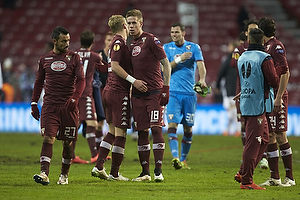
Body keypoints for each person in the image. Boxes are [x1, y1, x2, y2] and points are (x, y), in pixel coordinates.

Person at [91, 14, 147, 181]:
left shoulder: (114, 43)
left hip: (108, 91)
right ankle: (114, 173)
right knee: (121, 135)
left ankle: (99, 166)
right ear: (124, 25)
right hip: (118, 92)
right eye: (127, 24)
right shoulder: (119, 43)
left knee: (112, 132)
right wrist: (133, 81)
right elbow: (114, 66)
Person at [31, 26, 85, 185]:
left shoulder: (75, 58)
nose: (67, 44)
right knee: (48, 138)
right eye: (63, 41)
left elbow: (81, 80)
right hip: (50, 106)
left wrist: (75, 97)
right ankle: (44, 173)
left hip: (69, 107)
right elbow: (39, 82)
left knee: (68, 143)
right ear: (54, 41)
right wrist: (34, 103)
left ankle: (64, 175)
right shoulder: (44, 59)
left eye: (68, 40)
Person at [126, 9, 171, 182]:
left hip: (154, 93)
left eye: (134, 23)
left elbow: (166, 64)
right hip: (137, 95)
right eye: (129, 23)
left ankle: (158, 171)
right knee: (141, 132)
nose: (131, 26)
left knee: (156, 128)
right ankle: (145, 173)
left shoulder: (151, 40)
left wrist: (166, 88)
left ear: (141, 23)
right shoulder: (130, 44)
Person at [235, 28, 279, 190]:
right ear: (262, 42)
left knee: (265, 139)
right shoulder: (264, 58)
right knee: (253, 143)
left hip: (246, 101)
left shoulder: (242, 57)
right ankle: (246, 181)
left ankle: (243, 172)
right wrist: (279, 71)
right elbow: (274, 81)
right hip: (258, 104)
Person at [163, 22, 207, 170]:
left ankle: (183, 160)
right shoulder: (166, 48)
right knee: (172, 125)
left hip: (189, 94)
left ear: (183, 33)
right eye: (172, 32)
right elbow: (165, 68)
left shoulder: (194, 47)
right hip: (173, 93)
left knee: (188, 129)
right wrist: (179, 59)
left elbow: (201, 65)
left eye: (176, 32)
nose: (174, 35)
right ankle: (175, 157)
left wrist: (202, 80)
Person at [258, 17, 295, 187]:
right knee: (270, 135)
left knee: (280, 135)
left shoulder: (276, 46)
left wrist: (279, 97)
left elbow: (285, 72)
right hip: (268, 96)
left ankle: (290, 178)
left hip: (276, 97)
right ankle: (275, 178)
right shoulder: (266, 46)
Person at [231, 19, 269, 169]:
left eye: (256, 29)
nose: (254, 32)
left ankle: (262, 157)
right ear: (246, 33)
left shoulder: (264, 50)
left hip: (257, 93)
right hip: (243, 90)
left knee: (263, 128)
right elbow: (234, 64)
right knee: (245, 125)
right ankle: (247, 156)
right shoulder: (240, 49)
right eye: (251, 30)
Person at [73, 30, 105, 164]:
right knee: (92, 123)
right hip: (85, 94)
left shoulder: (73, 55)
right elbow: (103, 68)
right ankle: (94, 155)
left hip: (74, 93)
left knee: (76, 124)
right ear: (92, 43)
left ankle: (70, 156)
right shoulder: (95, 56)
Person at [216, 40, 240, 137]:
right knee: (232, 111)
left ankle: (234, 130)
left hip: (230, 89)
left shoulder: (229, 58)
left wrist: (217, 85)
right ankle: (230, 129)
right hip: (239, 88)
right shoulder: (241, 58)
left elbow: (221, 72)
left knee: (232, 111)